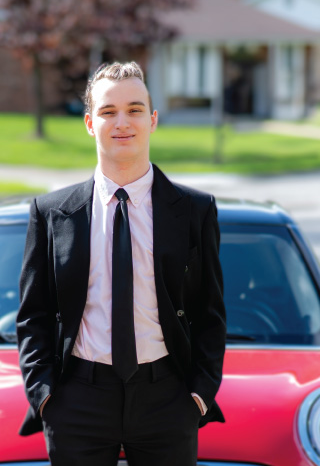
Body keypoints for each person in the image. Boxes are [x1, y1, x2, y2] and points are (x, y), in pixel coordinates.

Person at [16, 61, 226, 466]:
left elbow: (210, 312)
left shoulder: (196, 210)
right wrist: (44, 396)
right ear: (90, 123)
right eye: (108, 111)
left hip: (167, 397)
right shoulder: (51, 212)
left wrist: (199, 394)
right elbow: (33, 315)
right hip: (77, 400)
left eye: (133, 110)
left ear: (152, 120)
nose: (122, 122)